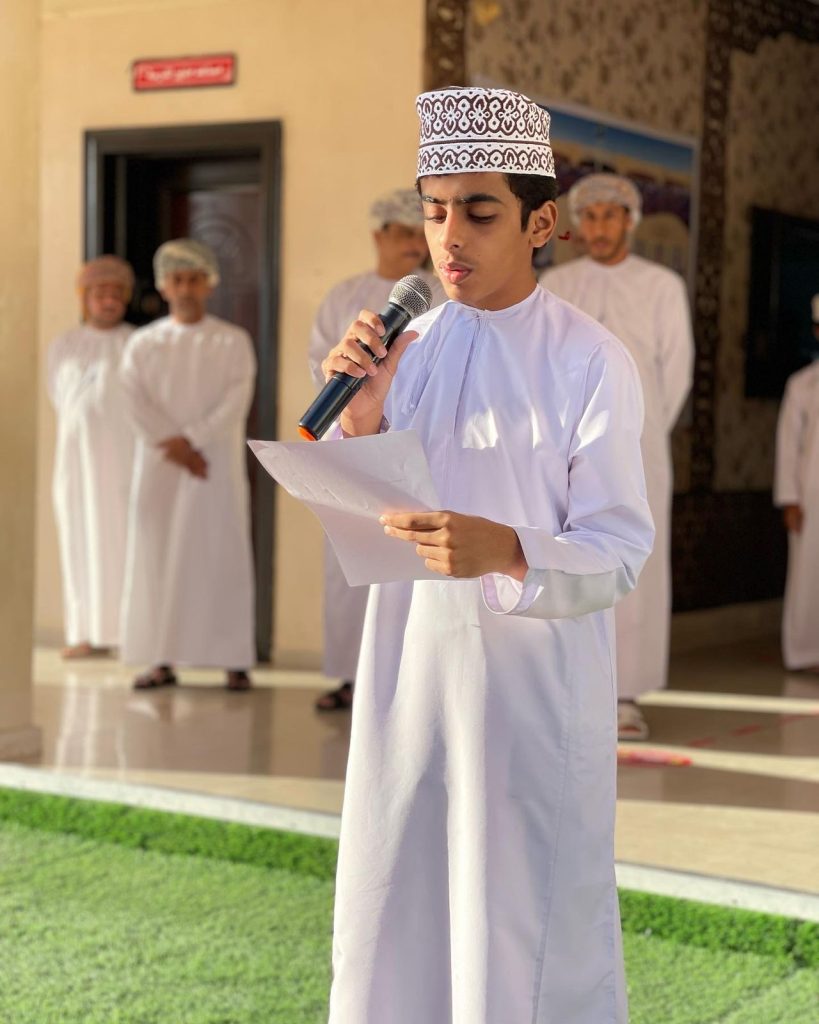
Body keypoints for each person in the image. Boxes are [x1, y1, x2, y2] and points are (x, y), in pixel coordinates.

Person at [322, 86, 653, 1024]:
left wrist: (507, 549)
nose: (447, 238)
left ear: (539, 223)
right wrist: (363, 418)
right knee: (397, 906)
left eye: (477, 212)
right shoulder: (410, 345)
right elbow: (368, 515)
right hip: (406, 673)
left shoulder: (589, 359)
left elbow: (617, 550)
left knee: (516, 928)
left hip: (526, 695)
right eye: (433, 211)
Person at [540, 173, 694, 740]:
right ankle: (564, 689)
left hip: (640, 446)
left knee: (634, 561)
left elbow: (676, 372)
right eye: (590, 216)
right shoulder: (556, 283)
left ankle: (626, 694)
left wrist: (635, 433)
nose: (600, 226)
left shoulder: (661, 285)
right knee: (563, 551)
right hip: (561, 442)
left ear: (630, 220)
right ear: (578, 224)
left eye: (611, 215)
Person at [308, 188, 444, 711]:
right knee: (351, 564)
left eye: (419, 231)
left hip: (415, 446)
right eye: (403, 232)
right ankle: (348, 676)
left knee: (409, 567)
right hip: (353, 444)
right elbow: (320, 364)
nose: (413, 243)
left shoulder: (440, 298)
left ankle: (408, 682)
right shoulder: (345, 295)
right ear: (378, 235)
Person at [119, 239, 256, 691]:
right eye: (177, 279)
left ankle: (233, 659)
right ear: (163, 286)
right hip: (161, 464)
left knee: (219, 554)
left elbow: (235, 400)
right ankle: (160, 659)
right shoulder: (142, 343)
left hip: (212, 465)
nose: (185, 288)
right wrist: (178, 448)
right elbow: (133, 400)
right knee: (156, 555)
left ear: (209, 284)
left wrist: (193, 442)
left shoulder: (232, 341)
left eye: (194, 279)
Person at [47, 256, 136, 659]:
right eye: (101, 293)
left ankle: (123, 633)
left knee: (121, 540)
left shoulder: (136, 343)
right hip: (75, 462)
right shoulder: (64, 345)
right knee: (77, 539)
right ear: (85, 298)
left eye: (116, 293)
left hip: (123, 460)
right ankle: (81, 632)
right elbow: (57, 394)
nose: (109, 300)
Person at [774, 294, 819, 672]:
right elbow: (788, 445)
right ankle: (806, 653)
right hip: (811, 495)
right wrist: (790, 498)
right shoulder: (803, 385)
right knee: (808, 574)